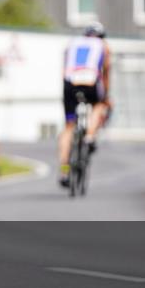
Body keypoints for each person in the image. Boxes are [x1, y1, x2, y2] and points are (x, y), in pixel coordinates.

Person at [58, 22, 111, 187]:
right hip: (91, 81)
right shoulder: (103, 45)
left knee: (68, 127)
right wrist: (107, 96)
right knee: (99, 105)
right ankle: (89, 137)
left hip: (70, 83)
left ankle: (64, 170)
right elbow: (106, 71)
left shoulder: (72, 43)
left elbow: (65, 67)